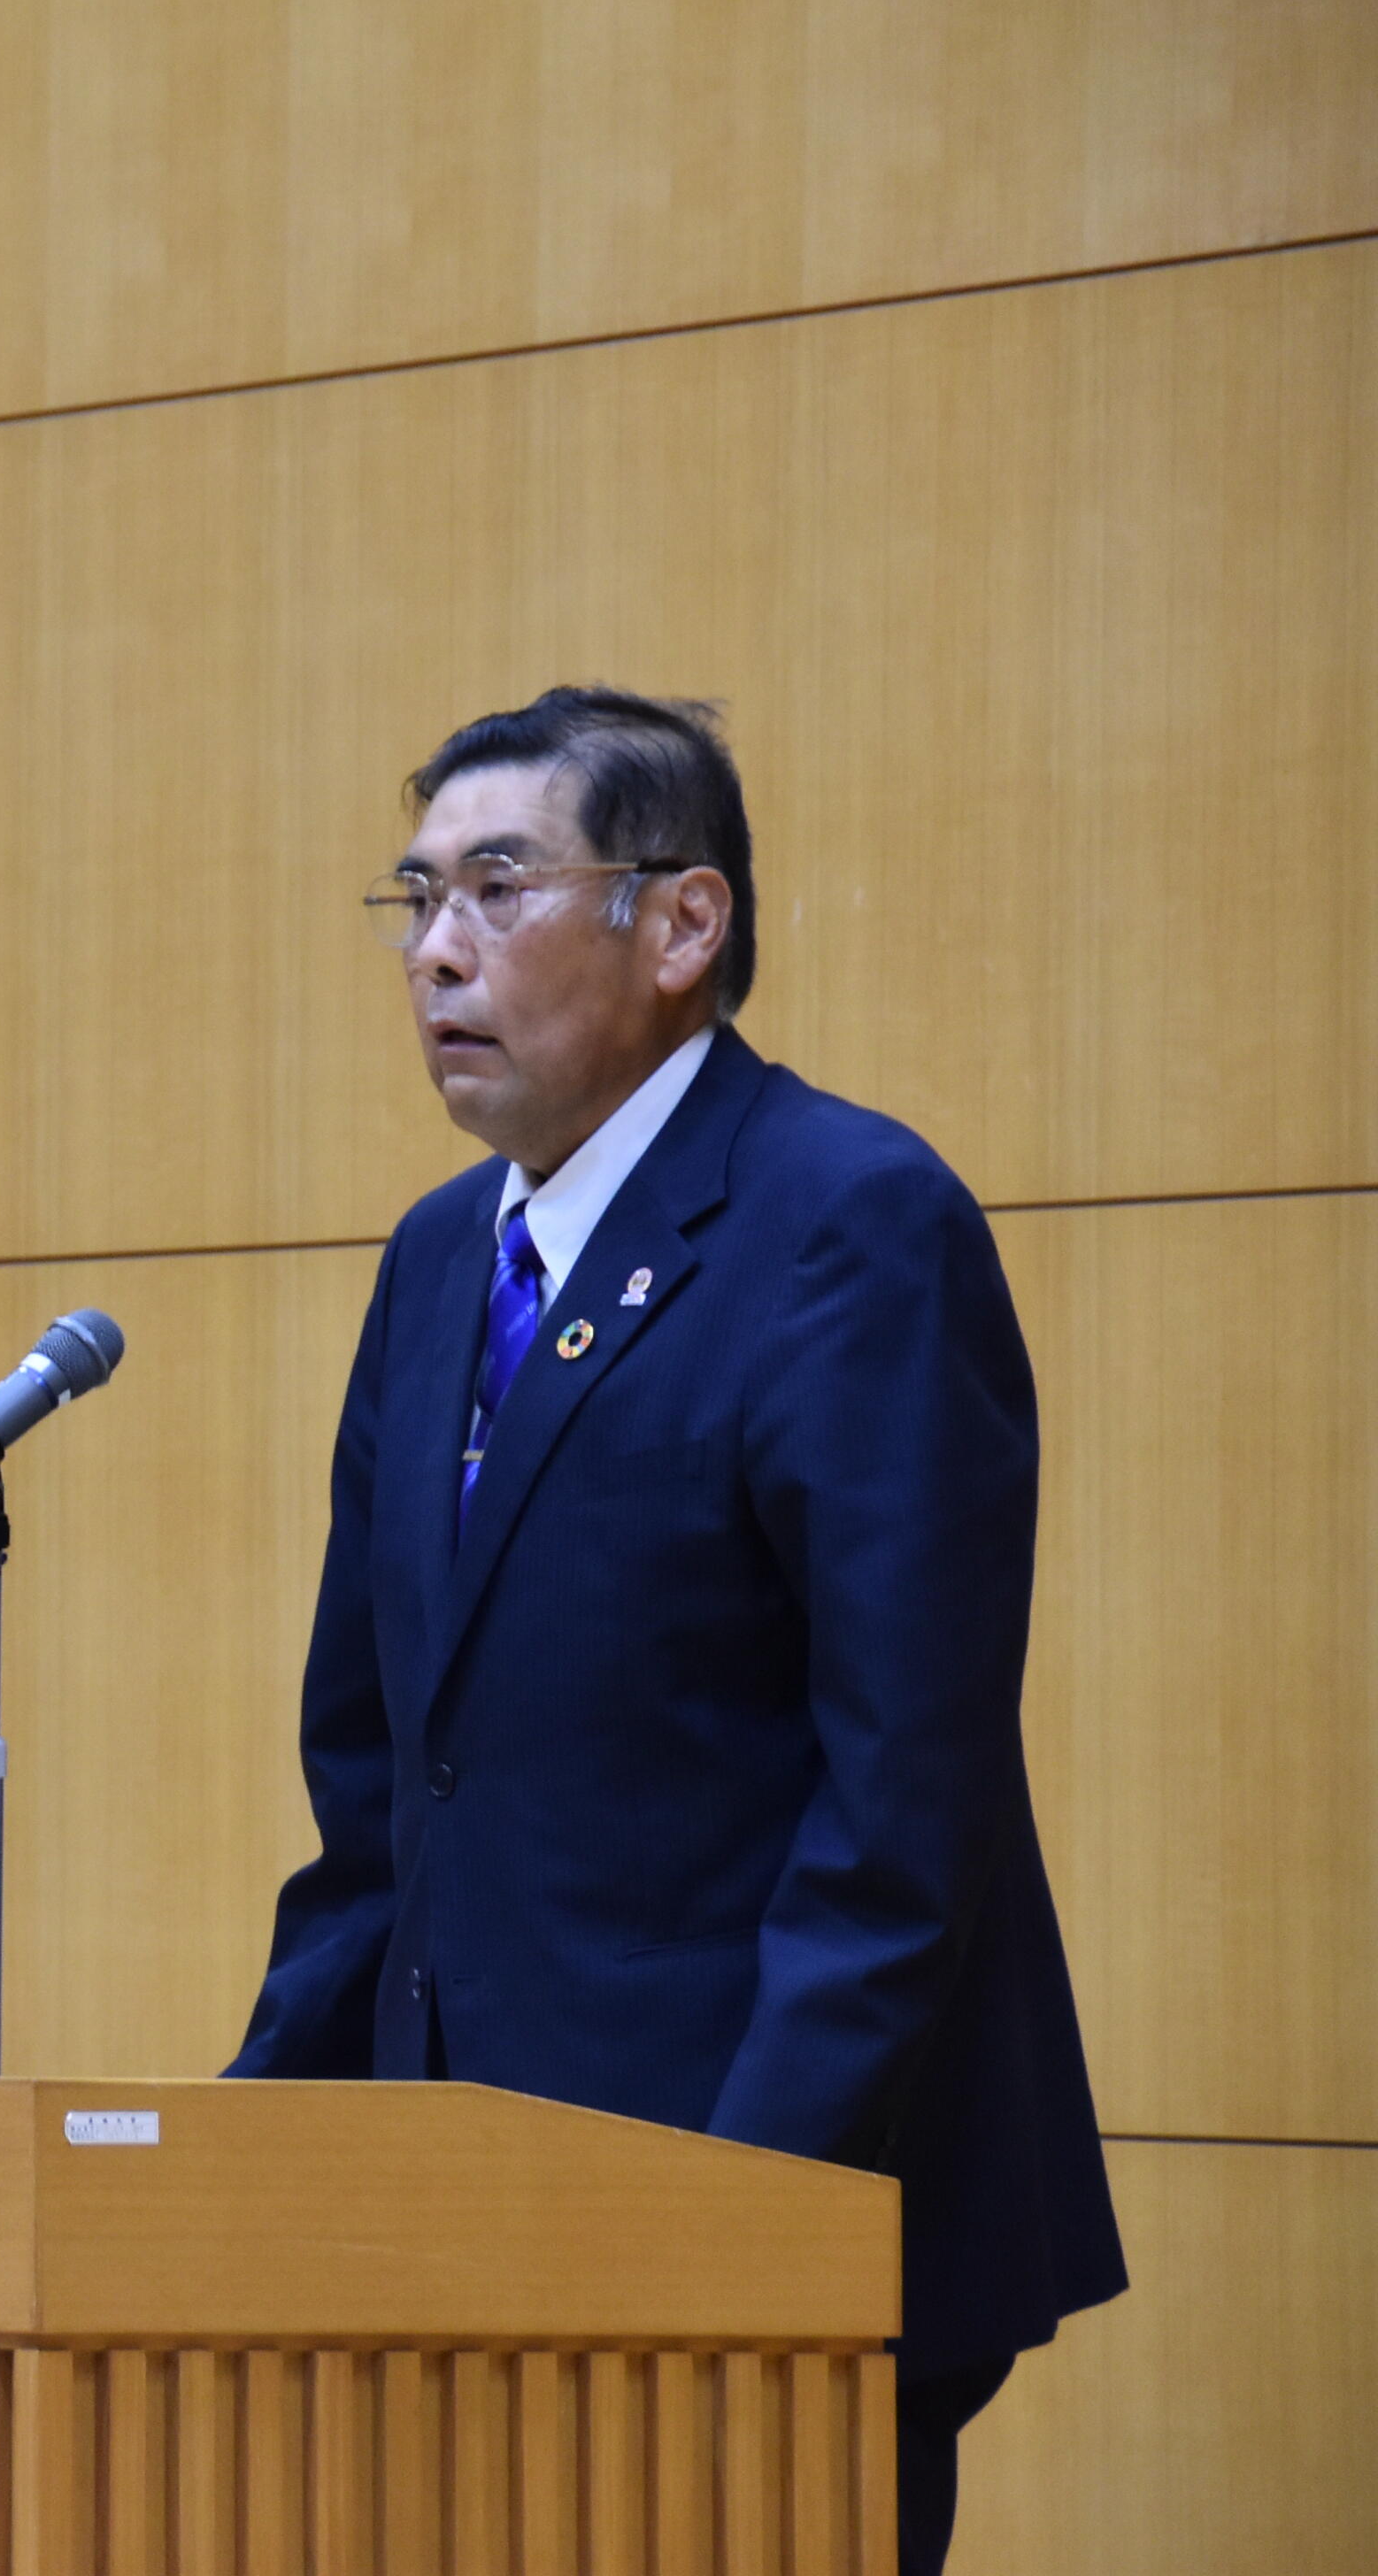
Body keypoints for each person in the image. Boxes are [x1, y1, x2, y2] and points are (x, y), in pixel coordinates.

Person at [226, 688, 1124, 2572]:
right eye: (414, 897)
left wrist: (732, 2238)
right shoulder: (431, 1260)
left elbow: (903, 1812)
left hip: (761, 2227)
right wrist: (250, 2164)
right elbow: (384, 1783)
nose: (436, 948)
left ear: (680, 924)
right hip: (462, 2238)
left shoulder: (845, 1223)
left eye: (495, 885)